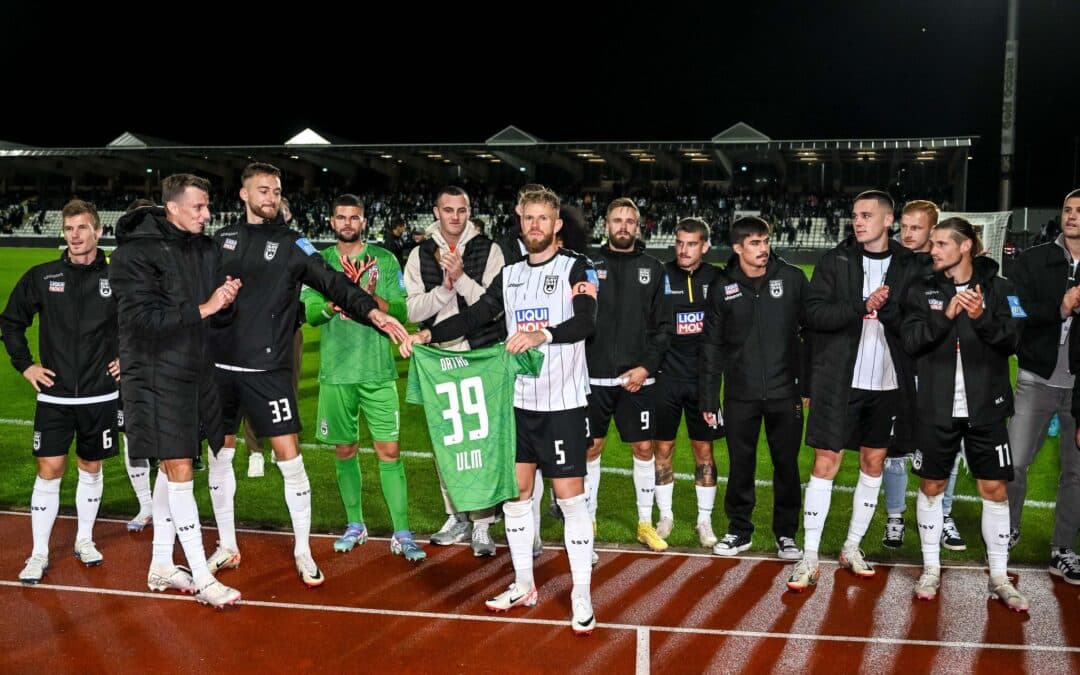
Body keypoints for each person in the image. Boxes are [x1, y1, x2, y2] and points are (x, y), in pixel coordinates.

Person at [399, 186, 599, 634]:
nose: (535, 226)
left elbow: (586, 320)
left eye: (544, 219)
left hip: (562, 404)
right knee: (516, 497)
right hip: (516, 405)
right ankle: (524, 584)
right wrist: (429, 337)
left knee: (570, 501)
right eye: (528, 218)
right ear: (519, 220)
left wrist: (542, 334)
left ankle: (582, 593)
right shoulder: (508, 276)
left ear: (557, 224)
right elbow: (475, 316)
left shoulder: (576, 267)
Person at [207, 163, 408, 587]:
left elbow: (334, 283)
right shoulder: (221, 240)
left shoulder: (293, 243)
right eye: (262, 190)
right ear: (244, 195)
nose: (271, 197)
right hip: (221, 368)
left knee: (291, 461)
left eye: (276, 191)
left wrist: (372, 311)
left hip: (268, 370)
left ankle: (302, 550)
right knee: (220, 457)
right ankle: (226, 544)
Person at [109, 174, 242, 607]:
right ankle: (203, 577)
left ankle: (162, 565)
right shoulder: (133, 255)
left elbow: (210, 315)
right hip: (154, 375)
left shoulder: (200, 248)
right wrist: (207, 306)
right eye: (199, 208)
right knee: (180, 468)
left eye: (208, 206)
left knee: (173, 470)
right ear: (173, 208)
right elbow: (141, 321)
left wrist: (224, 298)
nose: (208, 215)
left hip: (194, 371)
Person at [788, 190, 915, 590]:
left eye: (866, 215)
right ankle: (809, 556)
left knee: (873, 464)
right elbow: (813, 314)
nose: (858, 222)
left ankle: (851, 547)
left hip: (888, 383)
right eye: (855, 216)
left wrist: (887, 308)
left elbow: (916, 320)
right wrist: (861, 305)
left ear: (888, 219)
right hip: (839, 381)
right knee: (826, 463)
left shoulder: (910, 265)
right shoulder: (835, 260)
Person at [903, 217, 1028, 610]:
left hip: (986, 410)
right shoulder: (920, 289)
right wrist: (945, 317)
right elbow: (910, 341)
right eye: (933, 243)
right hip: (937, 409)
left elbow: (1015, 339)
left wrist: (980, 318)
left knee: (995, 489)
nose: (933, 250)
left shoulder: (1004, 288)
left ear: (966, 247)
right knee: (931, 488)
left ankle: (998, 576)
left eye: (941, 243)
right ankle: (931, 568)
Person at [300, 194, 424, 561]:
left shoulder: (384, 260)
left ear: (364, 221)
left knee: (389, 451)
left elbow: (402, 309)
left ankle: (402, 532)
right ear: (331, 221)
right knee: (345, 449)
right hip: (337, 373)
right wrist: (333, 304)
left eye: (354, 217)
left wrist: (369, 301)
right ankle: (355, 524)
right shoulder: (319, 263)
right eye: (341, 217)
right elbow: (309, 313)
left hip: (377, 372)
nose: (348, 223)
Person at [1, 199, 119, 583]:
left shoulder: (118, 277)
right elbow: (11, 322)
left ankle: (84, 540)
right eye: (69, 229)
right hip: (55, 396)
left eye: (82, 228)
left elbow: (143, 321)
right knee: (49, 470)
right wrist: (26, 364)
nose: (75, 235)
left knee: (91, 467)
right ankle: (38, 553)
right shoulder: (43, 276)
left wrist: (128, 358)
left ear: (99, 231)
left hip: (100, 396)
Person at [404, 186, 506, 556]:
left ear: (469, 211)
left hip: (481, 355)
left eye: (461, 210)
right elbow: (414, 312)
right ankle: (456, 516)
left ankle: (481, 524)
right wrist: (446, 289)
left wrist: (461, 277)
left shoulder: (489, 250)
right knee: (447, 441)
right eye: (448, 210)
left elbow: (494, 307)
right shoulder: (418, 254)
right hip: (438, 360)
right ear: (436, 211)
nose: (455, 217)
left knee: (480, 440)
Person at [700, 216, 809, 559]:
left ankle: (787, 535)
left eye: (766, 241)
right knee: (741, 464)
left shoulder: (792, 278)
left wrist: (805, 384)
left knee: (787, 465)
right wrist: (708, 395)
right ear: (737, 248)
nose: (764, 249)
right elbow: (711, 345)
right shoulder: (722, 286)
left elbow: (810, 336)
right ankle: (739, 530)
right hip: (740, 394)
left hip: (785, 391)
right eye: (755, 243)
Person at [881, 199, 968, 551]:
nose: (907, 233)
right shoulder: (892, 263)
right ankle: (895, 517)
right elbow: (889, 312)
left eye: (916, 227)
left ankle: (944, 514)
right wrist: (920, 332)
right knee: (896, 446)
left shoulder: (947, 270)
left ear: (934, 231)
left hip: (941, 373)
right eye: (904, 226)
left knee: (946, 444)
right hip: (900, 368)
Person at [585, 198, 670, 552]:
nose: (623, 226)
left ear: (639, 227)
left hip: (638, 379)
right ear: (606, 225)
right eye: (617, 220)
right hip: (594, 376)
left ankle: (644, 522)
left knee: (643, 448)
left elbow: (664, 328)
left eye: (629, 221)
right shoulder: (588, 266)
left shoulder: (654, 268)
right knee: (591, 448)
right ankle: (586, 520)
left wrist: (646, 367)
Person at [1009, 188, 1080, 584]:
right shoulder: (1033, 258)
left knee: (1076, 472)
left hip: (1079, 387)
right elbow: (1015, 309)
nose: (1071, 216)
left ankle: (1063, 548)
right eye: (1067, 210)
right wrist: (1060, 308)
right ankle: (1010, 526)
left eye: (1079, 211)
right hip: (1036, 378)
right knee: (1015, 461)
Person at [651, 217, 722, 548]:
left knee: (703, 449)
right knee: (662, 448)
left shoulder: (717, 279)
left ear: (705, 246)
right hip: (666, 378)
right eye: (679, 243)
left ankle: (704, 521)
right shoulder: (660, 276)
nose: (684, 249)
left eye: (691, 243)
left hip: (703, 380)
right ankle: (665, 515)